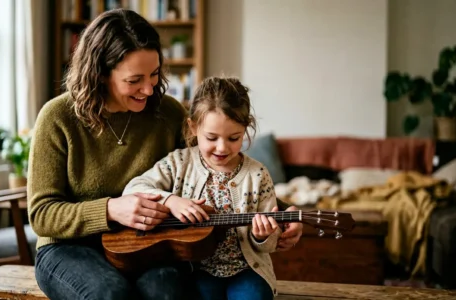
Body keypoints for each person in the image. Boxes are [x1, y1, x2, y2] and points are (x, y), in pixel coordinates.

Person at [28, 8, 301, 300]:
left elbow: (215, 172)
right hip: (68, 248)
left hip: (147, 245)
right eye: (135, 80)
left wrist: (286, 214)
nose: (149, 89)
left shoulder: (167, 113)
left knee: (168, 292)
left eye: (155, 74)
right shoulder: (57, 117)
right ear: (100, 73)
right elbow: (42, 215)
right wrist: (110, 209)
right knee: (109, 294)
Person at [122, 76, 300, 300]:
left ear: (245, 129)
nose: (222, 147)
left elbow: (270, 245)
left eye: (234, 138)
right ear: (193, 127)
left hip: (246, 271)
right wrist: (170, 200)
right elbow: (133, 188)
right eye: (211, 137)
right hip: (196, 271)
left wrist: (263, 236)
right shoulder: (179, 163)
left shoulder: (258, 174)